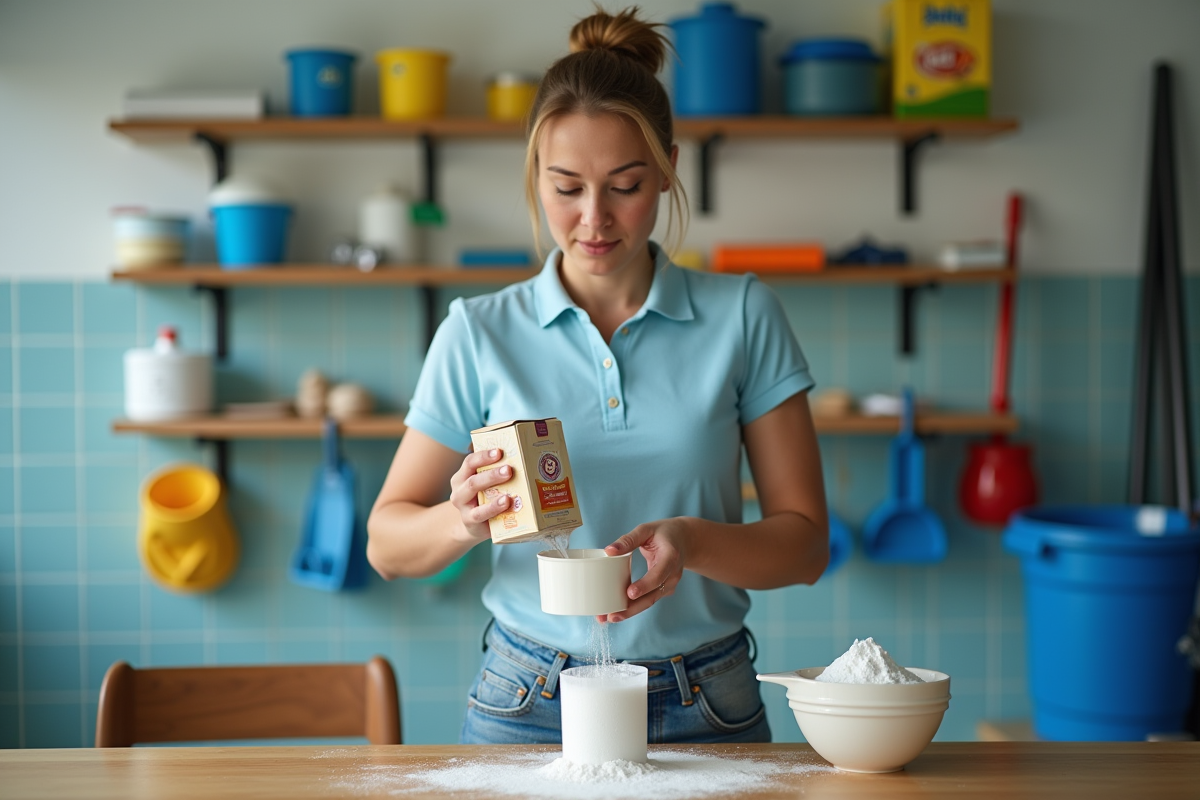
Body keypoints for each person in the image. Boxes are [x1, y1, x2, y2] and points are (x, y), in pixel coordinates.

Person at [367, 6, 829, 745]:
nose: (594, 219)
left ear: (670, 168)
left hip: (707, 700)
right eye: (566, 186)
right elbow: (387, 547)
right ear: (534, 178)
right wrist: (463, 519)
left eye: (625, 184)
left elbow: (806, 547)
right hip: (528, 697)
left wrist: (693, 542)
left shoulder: (743, 315)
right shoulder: (478, 332)